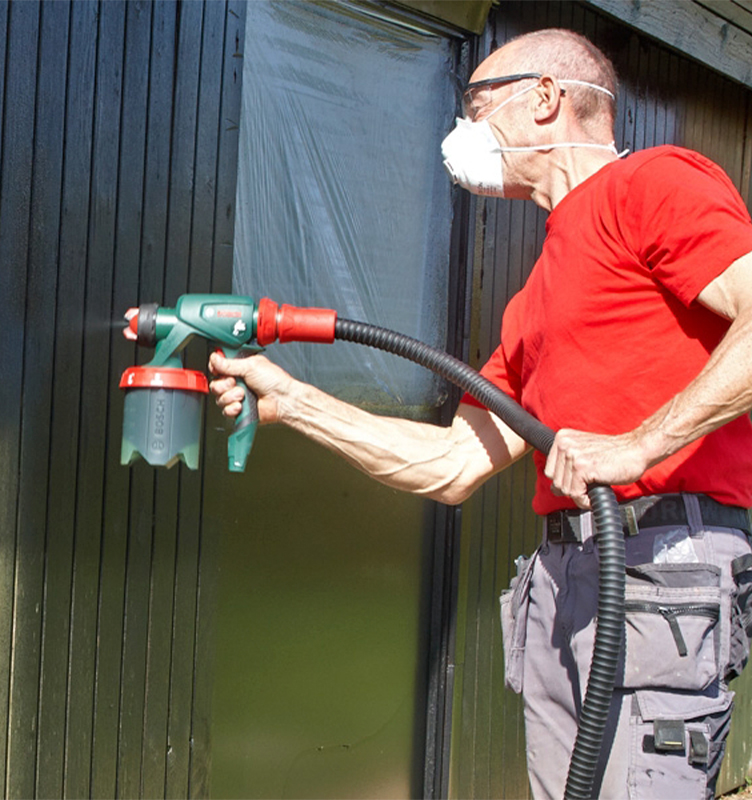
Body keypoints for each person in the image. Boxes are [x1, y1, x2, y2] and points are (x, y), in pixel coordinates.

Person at [209, 28, 752, 800]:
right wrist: (293, 402)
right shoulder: (536, 298)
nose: (460, 130)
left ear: (544, 98)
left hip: (658, 563)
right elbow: (454, 464)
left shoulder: (654, 184)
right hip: (574, 578)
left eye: (475, 103)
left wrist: (638, 446)